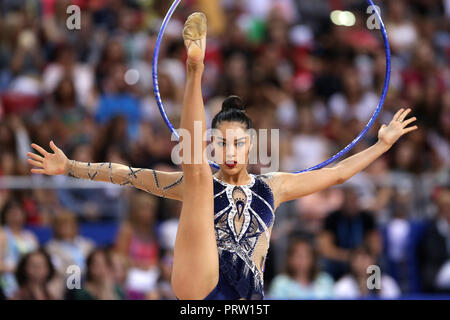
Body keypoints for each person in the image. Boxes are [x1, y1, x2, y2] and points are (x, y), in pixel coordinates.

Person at [27, 12, 419, 300]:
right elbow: (126, 174)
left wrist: (381, 145)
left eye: (237, 144)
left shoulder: (273, 186)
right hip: (200, 291)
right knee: (197, 177)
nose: (230, 153)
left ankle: (195, 71)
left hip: (248, 303)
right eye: (222, 144)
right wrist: (70, 167)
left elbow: (337, 175)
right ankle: (195, 69)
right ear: (214, 146)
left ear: (250, 145)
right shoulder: (194, 181)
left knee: (197, 177)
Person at [317, 187, 382, 280]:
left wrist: (364, 258)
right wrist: (349, 257)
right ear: (342, 201)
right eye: (348, 200)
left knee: (378, 263)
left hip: (363, 258)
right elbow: (325, 248)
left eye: (353, 200)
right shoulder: (332, 218)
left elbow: (376, 245)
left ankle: (375, 290)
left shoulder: (367, 218)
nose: (350, 204)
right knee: (326, 264)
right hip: (339, 260)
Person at [268, 236, 334, 299]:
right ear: (290, 259)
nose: (302, 260)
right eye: (298, 256)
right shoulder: (280, 283)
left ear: (314, 258)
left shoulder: (325, 281)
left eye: (306, 256)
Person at [0, 197, 39, 298]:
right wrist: (18, 269)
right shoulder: (2, 234)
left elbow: (39, 258)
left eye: (18, 213)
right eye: (12, 213)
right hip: (8, 277)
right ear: (5, 215)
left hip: (30, 277)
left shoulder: (30, 236)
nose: (15, 216)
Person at [333, 246, 401, 299]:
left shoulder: (387, 283)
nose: (362, 264)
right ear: (352, 264)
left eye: (365, 259)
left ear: (374, 261)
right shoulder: (344, 285)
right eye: (358, 260)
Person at [45, 210, 95, 277]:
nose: (68, 228)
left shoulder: (88, 244)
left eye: (71, 224)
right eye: (63, 225)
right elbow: (57, 269)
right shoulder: (51, 248)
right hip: (65, 281)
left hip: (89, 280)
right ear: (56, 228)